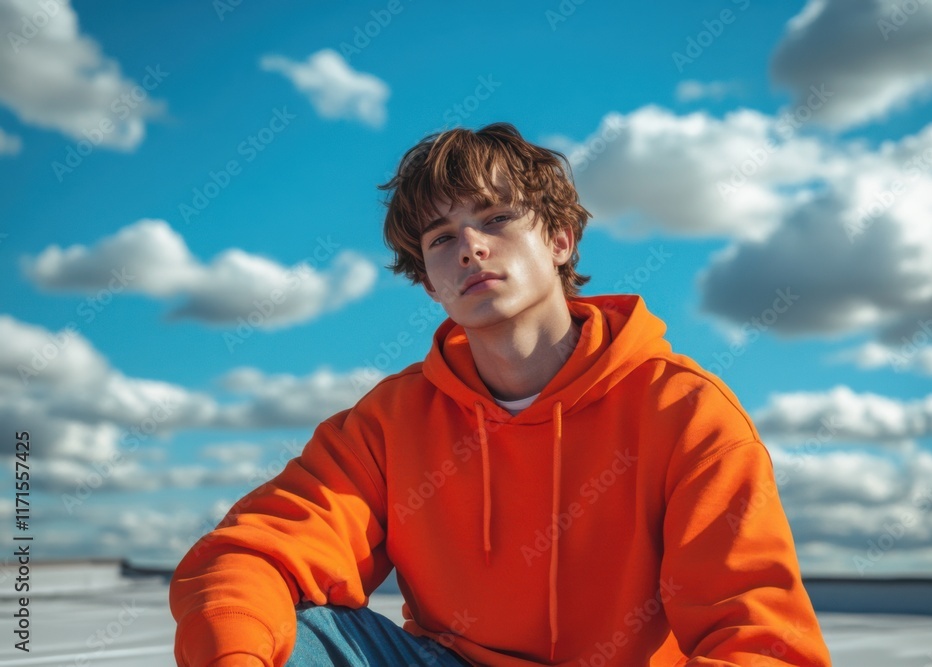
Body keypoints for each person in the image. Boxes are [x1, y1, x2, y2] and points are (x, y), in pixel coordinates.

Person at [169, 122, 833, 666]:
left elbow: (758, 638)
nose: (470, 248)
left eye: (494, 219)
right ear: (429, 282)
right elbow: (252, 549)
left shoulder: (683, 410)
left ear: (559, 238)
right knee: (287, 635)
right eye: (442, 238)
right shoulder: (391, 421)